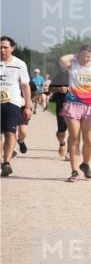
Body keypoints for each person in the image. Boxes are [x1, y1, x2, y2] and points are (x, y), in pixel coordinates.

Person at [59, 44, 91, 182]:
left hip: (90, 107)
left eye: (89, 57)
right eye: (84, 56)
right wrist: (76, 55)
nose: (86, 59)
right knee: (74, 137)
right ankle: (74, 172)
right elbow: (62, 59)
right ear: (79, 54)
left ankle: (85, 164)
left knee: (90, 140)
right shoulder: (72, 64)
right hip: (72, 104)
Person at [1, 36, 33, 177]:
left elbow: (25, 85)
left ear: (12, 48)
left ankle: (7, 162)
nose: (2, 50)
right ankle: (2, 161)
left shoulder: (19, 64)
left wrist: (28, 105)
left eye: (5, 47)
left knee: (10, 132)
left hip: (12, 102)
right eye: (0, 47)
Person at [48, 66, 71, 159]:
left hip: (75, 104)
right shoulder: (60, 74)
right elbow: (50, 88)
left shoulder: (79, 75)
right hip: (62, 104)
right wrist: (59, 88)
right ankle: (62, 143)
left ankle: (69, 152)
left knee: (73, 131)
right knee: (61, 132)